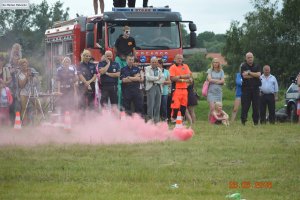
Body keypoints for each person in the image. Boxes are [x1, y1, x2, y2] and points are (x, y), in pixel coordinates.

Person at [169, 54, 192, 121]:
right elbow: (173, 78)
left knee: (183, 106)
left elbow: (188, 75)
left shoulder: (186, 66)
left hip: (184, 89)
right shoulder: (172, 67)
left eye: (181, 58)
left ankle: (180, 120)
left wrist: (179, 76)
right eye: (178, 58)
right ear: (175, 59)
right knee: (175, 106)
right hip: (176, 89)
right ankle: (173, 118)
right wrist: (184, 79)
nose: (179, 60)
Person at [240, 52, 261, 125]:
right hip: (246, 89)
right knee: (245, 105)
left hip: (255, 88)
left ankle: (255, 122)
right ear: (246, 58)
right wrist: (254, 75)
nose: (250, 59)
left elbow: (259, 75)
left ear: (253, 58)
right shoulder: (243, 66)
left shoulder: (257, 65)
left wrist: (249, 73)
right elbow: (244, 76)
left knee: (256, 106)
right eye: (248, 57)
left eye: (251, 57)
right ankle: (243, 121)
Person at [17, 58, 40, 124]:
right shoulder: (19, 74)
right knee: (24, 108)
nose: (24, 66)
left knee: (37, 105)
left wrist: (32, 77)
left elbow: (37, 81)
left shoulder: (32, 70)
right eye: (22, 65)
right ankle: (23, 122)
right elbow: (21, 85)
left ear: (27, 64)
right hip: (24, 92)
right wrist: (26, 77)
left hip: (32, 91)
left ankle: (36, 121)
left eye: (25, 64)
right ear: (20, 66)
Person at [144, 57, 163, 123]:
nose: (154, 63)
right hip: (151, 87)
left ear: (157, 63)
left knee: (158, 105)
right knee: (150, 105)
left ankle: (156, 121)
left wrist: (155, 80)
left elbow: (162, 79)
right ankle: (150, 120)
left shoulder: (159, 69)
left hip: (158, 87)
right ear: (150, 62)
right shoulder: (147, 68)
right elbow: (148, 78)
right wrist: (157, 78)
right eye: (153, 62)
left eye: (155, 62)